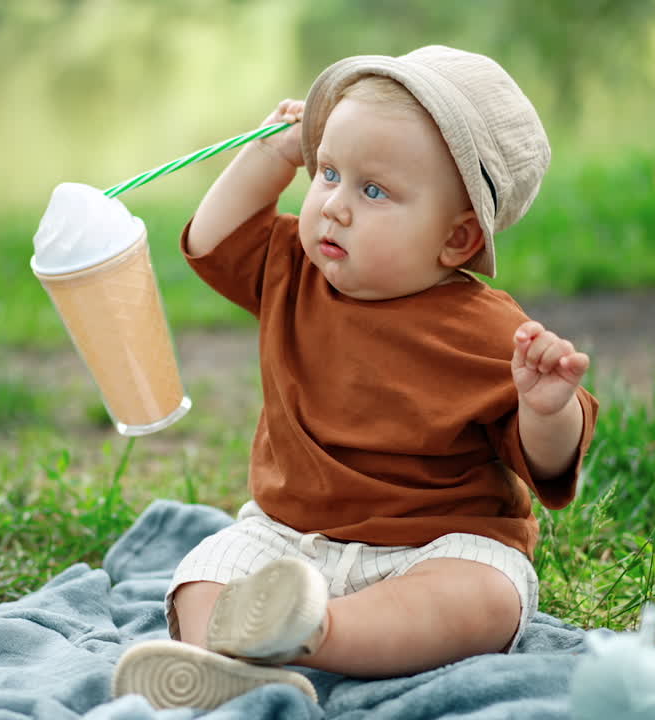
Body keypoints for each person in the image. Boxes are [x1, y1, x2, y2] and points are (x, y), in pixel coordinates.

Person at [112, 45, 599, 710]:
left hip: (428, 549)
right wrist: (270, 155)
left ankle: (316, 633)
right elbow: (212, 237)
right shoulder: (293, 268)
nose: (335, 206)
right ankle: (227, 659)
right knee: (208, 570)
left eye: (373, 191)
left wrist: (546, 410)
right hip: (291, 537)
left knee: (488, 591)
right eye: (329, 173)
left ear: (456, 240)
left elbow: (550, 465)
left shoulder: (487, 331)